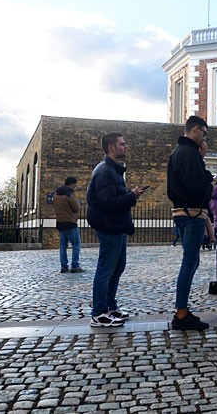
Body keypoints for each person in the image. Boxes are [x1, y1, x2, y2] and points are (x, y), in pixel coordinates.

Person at [87, 132, 146, 327]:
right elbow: (108, 204)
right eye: (122, 144)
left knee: (117, 268)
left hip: (116, 226)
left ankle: (110, 307)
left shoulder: (111, 170)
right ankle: (99, 313)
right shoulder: (105, 171)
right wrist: (132, 196)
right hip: (109, 226)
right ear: (111, 147)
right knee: (106, 269)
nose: (125, 146)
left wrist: (130, 194)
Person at [167, 116, 215, 331]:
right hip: (193, 214)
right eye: (204, 133)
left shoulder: (177, 152)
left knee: (191, 262)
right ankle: (181, 313)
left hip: (182, 213)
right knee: (189, 263)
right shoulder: (188, 154)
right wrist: (208, 178)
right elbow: (199, 187)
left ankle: (183, 310)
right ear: (195, 129)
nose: (204, 138)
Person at [53, 176, 83, 273]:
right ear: (71, 184)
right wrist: (79, 204)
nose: (74, 187)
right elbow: (75, 208)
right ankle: (75, 265)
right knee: (76, 244)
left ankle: (64, 266)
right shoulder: (70, 195)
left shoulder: (56, 195)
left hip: (60, 222)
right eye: (74, 186)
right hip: (70, 222)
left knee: (63, 245)